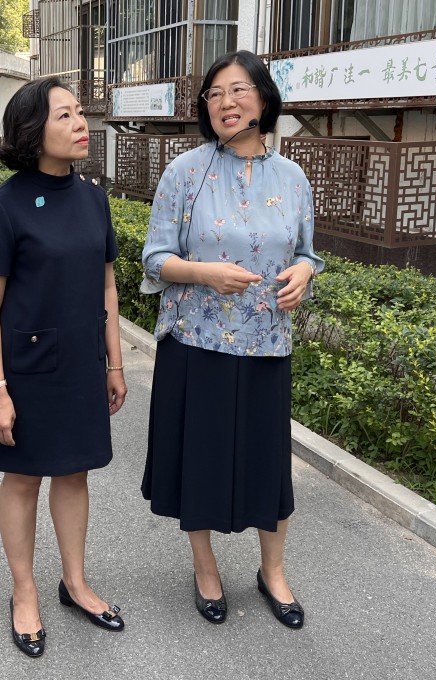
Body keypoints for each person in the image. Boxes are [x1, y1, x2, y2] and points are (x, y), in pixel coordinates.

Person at [140, 50, 323, 629]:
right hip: (195, 343)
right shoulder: (185, 172)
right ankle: (205, 569)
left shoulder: (292, 177)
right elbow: (154, 258)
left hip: (267, 344)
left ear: (263, 99)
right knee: (201, 461)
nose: (225, 102)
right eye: (215, 94)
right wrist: (204, 273)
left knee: (268, 466)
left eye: (238, 90)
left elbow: (306, 252)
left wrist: (306, 272)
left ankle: (273, 572)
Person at [0, 77, 128, 658]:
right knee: (23, 477)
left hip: (81, 364)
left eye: (80, 112)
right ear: (34, 132)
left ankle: (75, 582)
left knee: (75, 472)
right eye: (65, 115)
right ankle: (24, 590)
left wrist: (114, 363)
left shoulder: (93, 198)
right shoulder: (4, 206)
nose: (81, 123)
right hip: (25, 369)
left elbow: (106, 286)